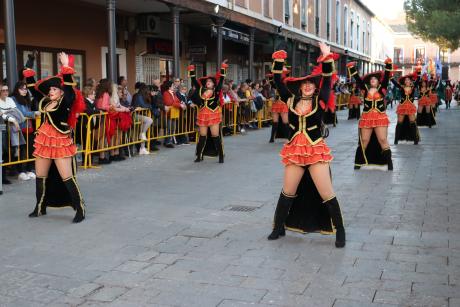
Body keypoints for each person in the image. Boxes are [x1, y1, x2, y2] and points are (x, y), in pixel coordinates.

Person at [268, 43, 345, 248]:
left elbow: (328, 80)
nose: (308, 85)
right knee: (288, 191)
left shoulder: (321, 98)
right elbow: (277, 81)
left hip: (315, 150)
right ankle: (278, 227)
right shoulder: (290, 100)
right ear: (300, 87)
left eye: (311, 83)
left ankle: (340, 230)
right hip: (294, 151)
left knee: (326, 192)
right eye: (305, 84)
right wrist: (278, 60)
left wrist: (326, 56)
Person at [24, 52, 86, 223]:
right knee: (40, 175)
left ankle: (80, 208)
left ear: (60, 92)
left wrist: (66, 66)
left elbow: (68, 88)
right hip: (44, 142)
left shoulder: (65, 102)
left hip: (60, 142)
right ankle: (40, 206)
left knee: (67, 176)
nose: (50, 91)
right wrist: (29, 65)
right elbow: (31, 87)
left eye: (54, 89)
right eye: (49, 89)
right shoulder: (44, 102)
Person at [347, 59, 394, 170]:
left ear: (378, 81)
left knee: (382, 139)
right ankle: (358, 163)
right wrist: (351, 68)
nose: (373, 80)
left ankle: (389, 164)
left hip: (380, 118)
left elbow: (387, 76)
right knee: (364, 140)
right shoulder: (365, 89)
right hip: (367, 118)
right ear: (369, 81)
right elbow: (358, 79)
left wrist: (388, 64)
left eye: (375, 79)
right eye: (371, 79)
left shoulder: (382, 89)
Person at [187, 60, 228, 163]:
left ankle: (221, 155)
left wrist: (223, 68)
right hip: (202, 115)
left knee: (215, 135)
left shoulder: (216, 90)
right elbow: (193, 81)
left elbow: (222, 79)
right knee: (202, 135)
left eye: (210, 81)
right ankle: (199, 156)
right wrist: (192, 69)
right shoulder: (201, 90)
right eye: (207, 81)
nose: (208, 82)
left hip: (213, 115)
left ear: (213, 84)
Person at [12, 81, 40, 180]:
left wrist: (32, 113)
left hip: (28, 127)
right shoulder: (14, 99)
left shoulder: (25, 99)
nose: (25, 91)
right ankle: (21, 171)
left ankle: (29, 169)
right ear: (17, 89)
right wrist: (34, 113)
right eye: (22, 89)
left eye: (25, 89)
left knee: (30, 148)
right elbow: (21, 112)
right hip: (19, 128)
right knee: (21, 150)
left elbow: (26, 112)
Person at [392, 71, 420, 145]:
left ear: (411, 81)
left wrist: (419, 73)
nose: (407, 81)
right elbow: (395, 83)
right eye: (406, 80)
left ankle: (415, 140)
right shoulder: (402, 87)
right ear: (404, 82)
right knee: (399, 123)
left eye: (408, 80)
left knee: (412, 123)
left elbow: (418, 81)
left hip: (410, 106)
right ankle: (396, 140)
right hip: (402, 106)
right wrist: (391, 77)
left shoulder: (413, 87)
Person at [132, 84, 154, 154]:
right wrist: (147, 106)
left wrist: (147, 106)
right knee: (149, 120)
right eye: (148, 90)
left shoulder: (144, 96)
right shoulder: (139, 96)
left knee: (143, 130)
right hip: (136, 115)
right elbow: (144, 105)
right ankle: (142, 134)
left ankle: (142, 148)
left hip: (141, 115)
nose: (149, 92)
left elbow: (150, 106)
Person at [162, 80, 185, 148]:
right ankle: (167, 141)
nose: (174, 87)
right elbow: (169, 103)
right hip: (169, 113)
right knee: (168, 127)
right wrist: (179, 105)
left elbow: (177, 100)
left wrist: (181, 103)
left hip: (174, 112)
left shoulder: (173, 93)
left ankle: (170, 140)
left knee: (173, 127)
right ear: (169, 87)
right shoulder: (166, 93)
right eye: (173, 85)